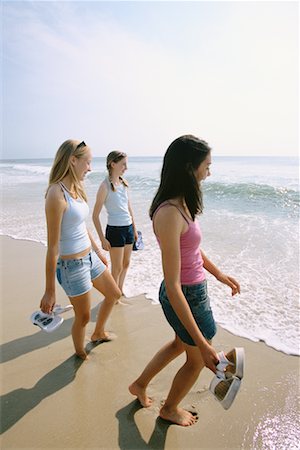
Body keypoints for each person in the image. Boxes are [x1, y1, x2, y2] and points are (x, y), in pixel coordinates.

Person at [129, 135, 241, 426]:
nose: (209, 171)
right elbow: (174, 284)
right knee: (195, 360)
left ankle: (140, 384)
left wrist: (218, 274)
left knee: (180, 345)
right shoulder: (169, 213)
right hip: (186, 295)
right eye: (207, 165)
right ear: (190, 167)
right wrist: (203, 345)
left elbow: (191, 248)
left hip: (194, 290)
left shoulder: (183, 204)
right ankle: (169, 409)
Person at [40, 140, 121, 360]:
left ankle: (98, 333)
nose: (90, 168)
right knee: (83, 317)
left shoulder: (76, 187)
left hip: (90, 257)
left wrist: (98, 251)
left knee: (114, 294)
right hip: (72, 266)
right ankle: (79, 351)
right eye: (87, 162)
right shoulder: (56, 194)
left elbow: (81, 226)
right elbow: (53, 247)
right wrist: (49, 291)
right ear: (73, 160)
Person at [92, 151, 138, 296]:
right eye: (123, 164)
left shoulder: (124, 183)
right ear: (113, 164)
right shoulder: (104, 186)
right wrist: (102, 239)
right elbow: (94, 216)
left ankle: (119, 290)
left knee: (126, 263)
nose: (126, 167)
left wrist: (134, 229)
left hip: (128, 228)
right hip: (115, 230)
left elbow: (128, 207)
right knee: (116, 267)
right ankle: (113, 295)